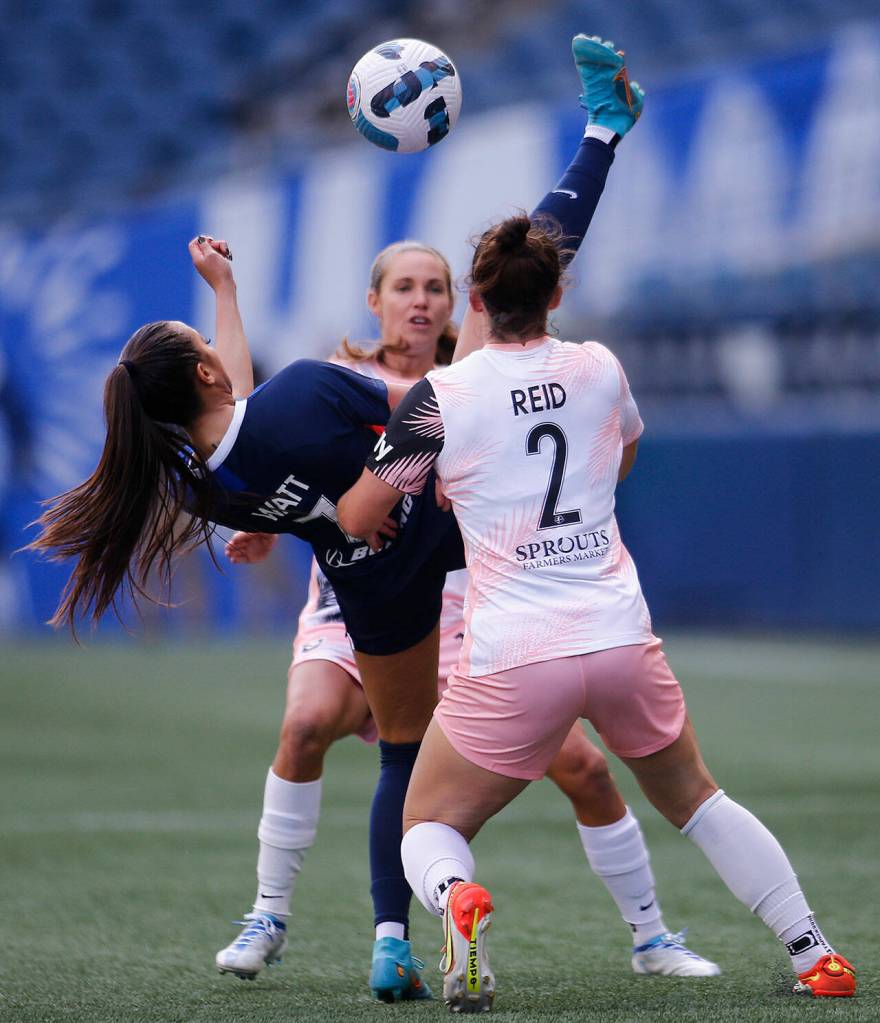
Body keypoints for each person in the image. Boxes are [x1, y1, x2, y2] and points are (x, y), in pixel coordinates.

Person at [336, 95, 858, 1018]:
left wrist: (427, 491)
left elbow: (365, 511)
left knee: (429, 820)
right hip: (616, 632)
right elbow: (619, 454)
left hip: (515, 650)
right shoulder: (602, 366)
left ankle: (459, 903)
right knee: (696, 796)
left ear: (477, 302)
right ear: (558, 295)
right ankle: (813, 948)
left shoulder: (440, 397)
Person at [213, 241, 717, 997]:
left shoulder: (468, 383)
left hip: (463, 609)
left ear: (463, 303)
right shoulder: (345, 383)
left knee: (582, 768)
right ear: (373, 300)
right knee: (307, 721)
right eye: (405, 287)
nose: (421, 301)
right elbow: (280, 461)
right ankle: (268, 915)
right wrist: (269, 521)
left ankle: (651, 933)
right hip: (354, 604)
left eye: (436, 288)